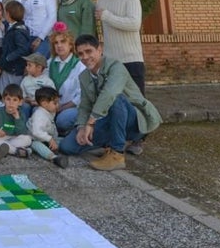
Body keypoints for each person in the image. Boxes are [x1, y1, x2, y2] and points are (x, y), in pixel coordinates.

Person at [58, 34, 162, 171]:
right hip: (106, 119)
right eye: (81, 54)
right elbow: (84, 105)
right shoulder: (84, 76)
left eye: (89, 51)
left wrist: (90, 122)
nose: (85, 57)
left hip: (134, 121)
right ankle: (107, 142)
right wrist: (81, 127)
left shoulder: (116, 67)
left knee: (116, 98)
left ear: (99, 50)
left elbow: (109, 94)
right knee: (67, 146)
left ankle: (117, 154)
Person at [94, 0, 147, 94]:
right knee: (116, 104)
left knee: (137, 104)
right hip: (110, 62)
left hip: (131, 60)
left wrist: (107, 16)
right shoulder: (100, 1)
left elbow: (134, 24)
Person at [48, 29, 86, 133]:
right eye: (56, 43)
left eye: (63, 42)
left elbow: (81, 96)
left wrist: (61, 108)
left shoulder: (79, 66)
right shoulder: (49, 63)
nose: (59, 45)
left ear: (70, 45)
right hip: (50, 106)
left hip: (70, 107)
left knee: (62, 121)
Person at [0, 83, 32, 159]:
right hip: (0, 137)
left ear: (20, 102)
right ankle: (16, 151)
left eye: (15, 100)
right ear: (3, 100)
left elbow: (22, 132)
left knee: (28, 139)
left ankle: (1, 148)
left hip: (14, 138)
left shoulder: (21, 114)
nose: (11, 103)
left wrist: (17, 118)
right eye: (8, 99)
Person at [29, 86, 69, 169]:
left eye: (58, 102)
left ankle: (89, 150)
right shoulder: (39, 115)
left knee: (63, 141)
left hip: (46, 137)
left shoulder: (50, 111)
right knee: (36, 145)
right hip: (33, 138)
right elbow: (36, 132)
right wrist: (50, 139)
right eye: (55, 103)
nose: (58, 105)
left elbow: (51, 125)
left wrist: (52, 138)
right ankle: (54, 158)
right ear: (44, 103)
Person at [0, 0, 32, 90]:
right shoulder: (12, 27)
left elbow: (23, 49)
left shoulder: (18, 31)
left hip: (14, 69)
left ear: (8, 14)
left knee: (12, 92)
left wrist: (8, 57)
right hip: (8, 67)